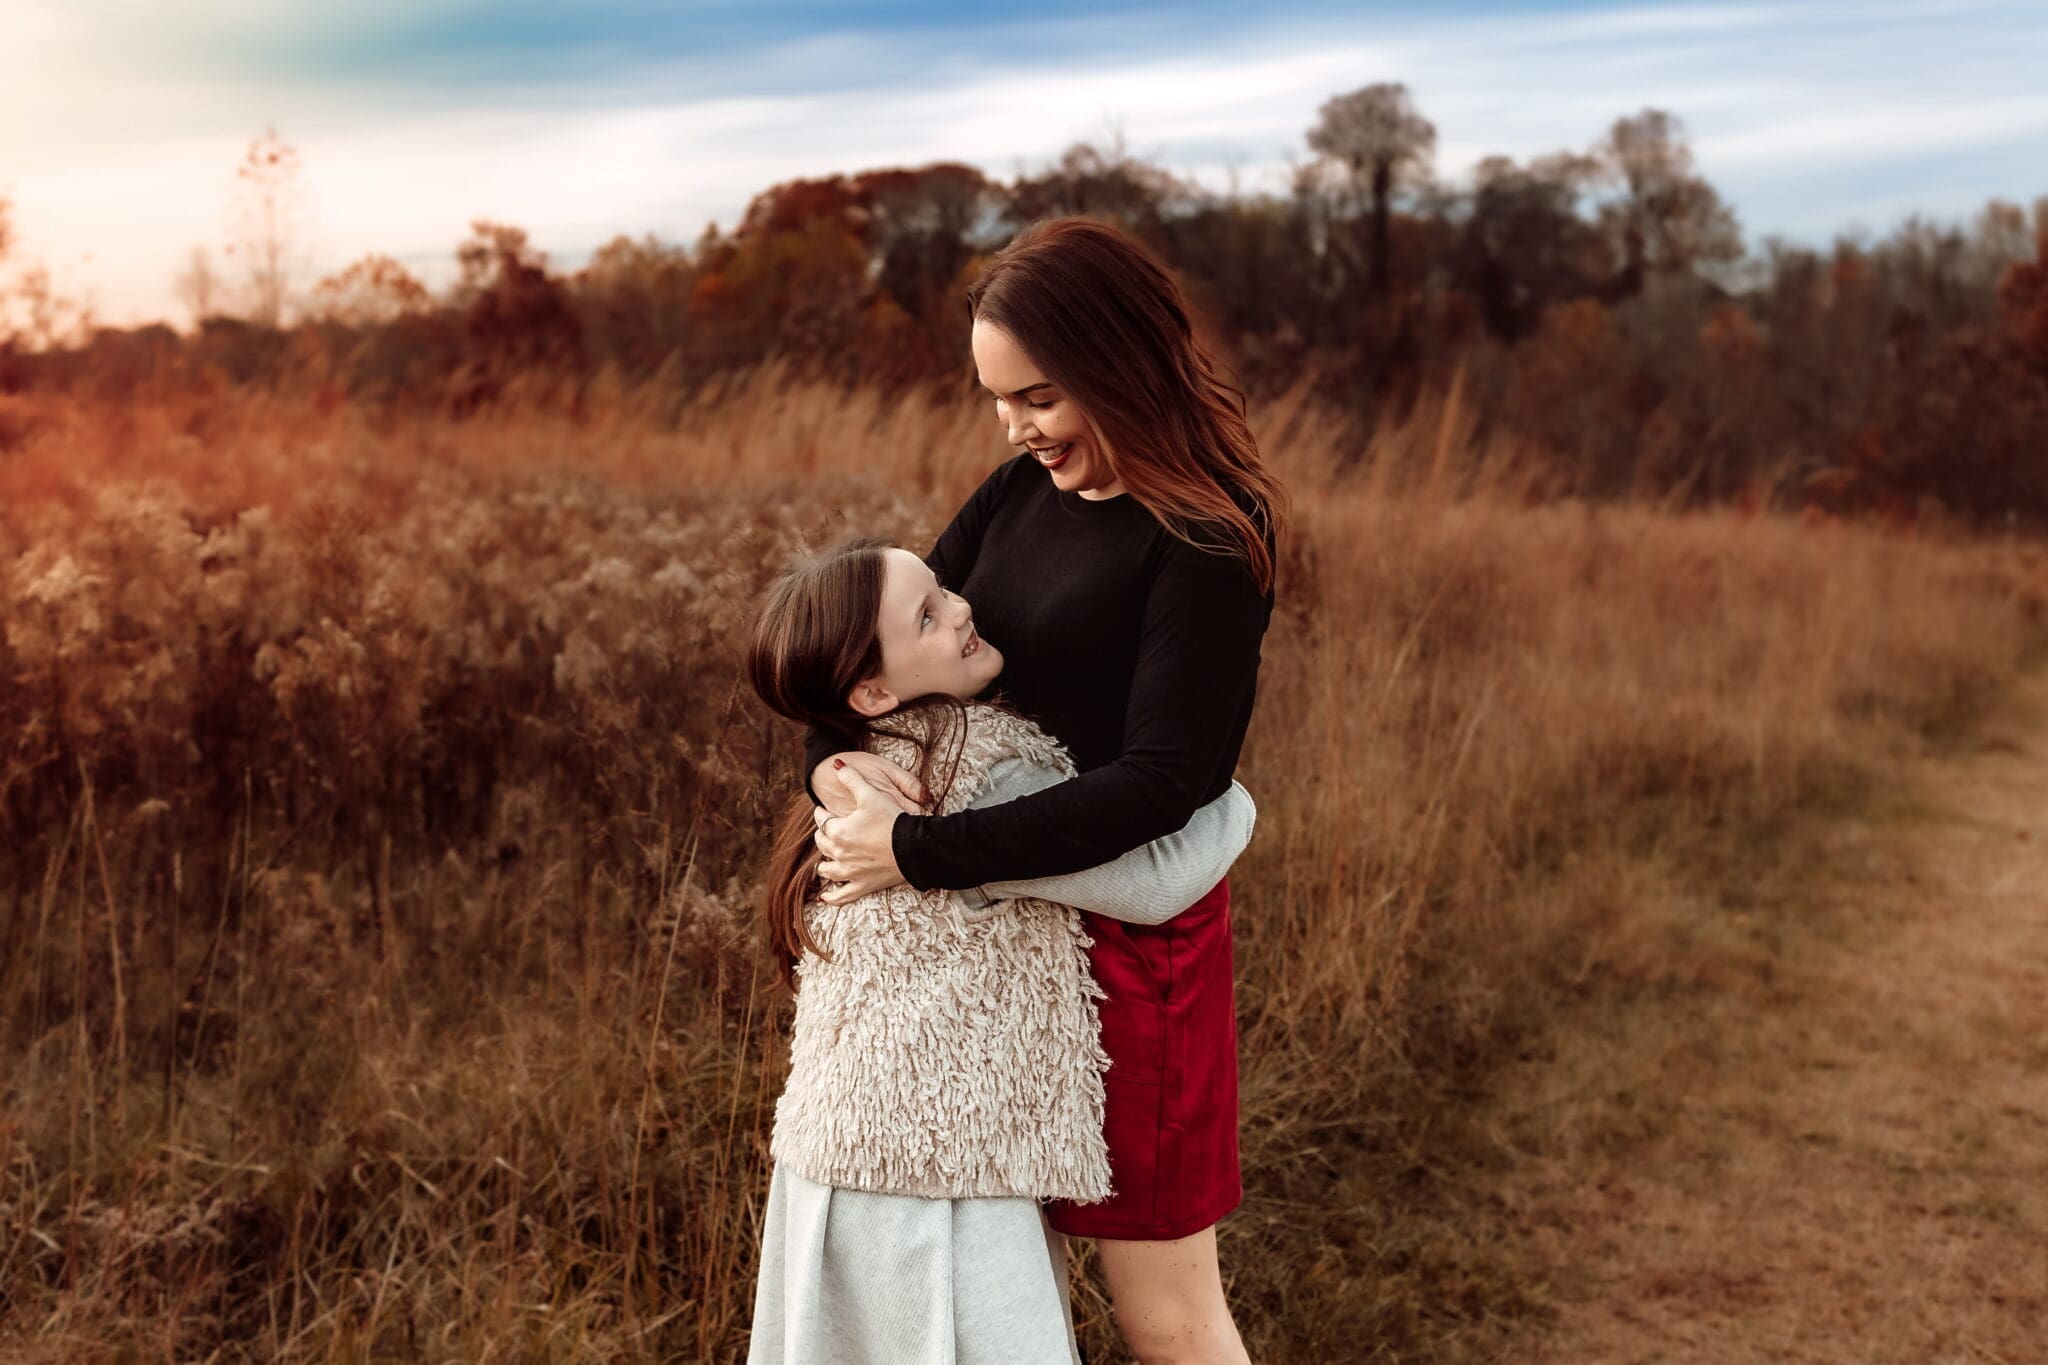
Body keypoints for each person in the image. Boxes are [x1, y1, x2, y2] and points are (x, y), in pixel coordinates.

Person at [808, 217, 1286, 1365]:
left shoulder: (1208, 537)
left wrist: (918, 851)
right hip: (994, 950)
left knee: (1164, 1317)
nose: (1016, 429)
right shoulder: (1015, 492)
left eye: (1037, 398)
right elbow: (877, 664)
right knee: (995, 1300)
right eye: (996, 401)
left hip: (1136, 948)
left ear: (1120, 366)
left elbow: (1164, 783)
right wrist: (837, 776)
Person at [744, 537, 1258, 1365]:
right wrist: (1230, 796)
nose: (964, 606)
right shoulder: (981, 776)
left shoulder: (876, 761)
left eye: (944, 588)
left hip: (841, 1152)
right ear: (871, 689)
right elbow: (1157, 880)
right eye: (928, 614)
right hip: (940, 1176)